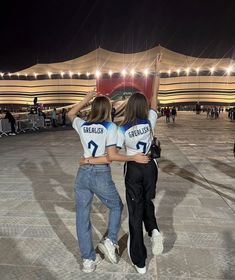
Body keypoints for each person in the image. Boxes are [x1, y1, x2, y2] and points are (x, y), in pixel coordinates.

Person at [68, 92, 148, 273]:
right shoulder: (110, 127)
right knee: (116, 206)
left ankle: (88, 260)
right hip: (100, 174)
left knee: (82, 217)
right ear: (108, 110)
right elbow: (110, 157)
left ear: (93, 108)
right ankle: (110, 240)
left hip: (82, 175)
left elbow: (71, 114)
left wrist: (86, 98)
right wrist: (133, 157)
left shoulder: (83, 125)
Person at [107, 56, 163, 274]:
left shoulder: (122, 128)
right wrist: (157, 71)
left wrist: (132, 157)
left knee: (134, 211)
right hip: (151, 166)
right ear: (144, 107)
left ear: (129, 107)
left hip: (134, 168)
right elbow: (155, 97)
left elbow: (113, 155)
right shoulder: (150, 120)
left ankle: (140, 262)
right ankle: (154, 230)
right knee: (148, 200)